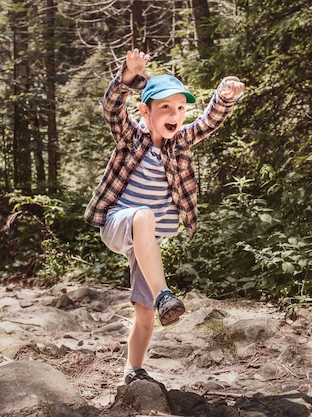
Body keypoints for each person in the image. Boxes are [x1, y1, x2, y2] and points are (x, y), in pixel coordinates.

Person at [84, 49, 245, 385]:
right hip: (118, 222)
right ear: (145, 110)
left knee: (144, 314)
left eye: (181, 108)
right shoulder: (132, 138)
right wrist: (128, 76)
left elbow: (209, 122)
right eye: (166, 108)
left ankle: (134, 369)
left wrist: (224, 97)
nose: (176, 115)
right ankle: (164, 295)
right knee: (143, 215)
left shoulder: (181, 143)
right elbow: (112, 109)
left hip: (145, 244)